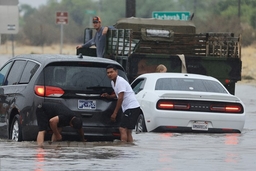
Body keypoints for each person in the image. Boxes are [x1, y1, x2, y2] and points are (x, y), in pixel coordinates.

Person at [101, 65, 140, 143]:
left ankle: (123, 148)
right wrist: (108, 96)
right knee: (128, 130)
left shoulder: (120, 81)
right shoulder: (113, 82)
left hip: (132, 107)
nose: (109, 74)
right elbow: (117, 94)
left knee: (122, 129)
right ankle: (129, 150)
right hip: (130, 108)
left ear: (116, 72)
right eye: (108, 73)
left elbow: (120, 98)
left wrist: (115, 113)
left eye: (111, 72)